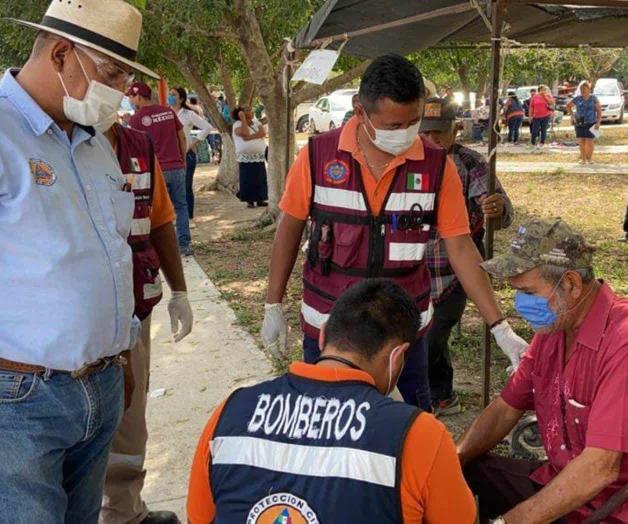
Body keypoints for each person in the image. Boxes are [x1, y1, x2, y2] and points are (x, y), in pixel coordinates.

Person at [261, 54, 528, 412]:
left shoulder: (437, 166)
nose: (404, 133)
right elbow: (289, 229)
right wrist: (272, 304)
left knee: (404, 436)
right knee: (329, 435)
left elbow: (461, 246)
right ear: (360, 111)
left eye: (412, 122)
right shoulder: (316, 157)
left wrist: (500, 328)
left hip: (403, 337)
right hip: (329, 331)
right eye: (391, 125)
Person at [0, 0, 156, 521]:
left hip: (102, 384)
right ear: (62, 53)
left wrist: (122, 349)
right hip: (21, 399)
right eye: (111, 73)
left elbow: (111, 250)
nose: (121, 91)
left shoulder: (93, 143)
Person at [187, 279, 477, 523]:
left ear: (324, 335)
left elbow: (199, 518)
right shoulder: (418, 435)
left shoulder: (231, 412)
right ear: (397, 357)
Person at [457, 218, 628, 523]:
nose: (519, 304)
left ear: (572, 284)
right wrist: (453, 460)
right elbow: (505, 409)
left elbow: (599, 468)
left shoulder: (621, 342)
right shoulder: (553, 331)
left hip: (611, 506)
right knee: (461, 473)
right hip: (558, 482)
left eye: (528, 292)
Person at [99, 95, 194, 523]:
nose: (111, 85)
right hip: (66, 321)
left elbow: (159, 220)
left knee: (130, 417)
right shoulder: (43, 145)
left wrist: (180, 291)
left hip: (134, 310)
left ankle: (124, 512)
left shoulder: (137, 145)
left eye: (119, 76)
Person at [419, 97, 514, 416]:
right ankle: (440, 393)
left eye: (439, 133)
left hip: (458, 270)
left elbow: (501, 213)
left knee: (433, 335)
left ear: (455, 130)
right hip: (416, 268)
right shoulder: (408, 163)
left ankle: (431, 397)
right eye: (425, 132)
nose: (432, 139)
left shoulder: (470, 164)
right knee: (421, 332)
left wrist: (495, 209)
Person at [128, 82, 193, 256]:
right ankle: (184, 245)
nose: (130, 100)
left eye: (131, 96)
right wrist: (182, 160)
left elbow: (136, 149)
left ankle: (159, 248)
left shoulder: (135, 120)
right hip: (177, 167)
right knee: (181, 207)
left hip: (155, 172)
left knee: (155, 211)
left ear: (139, 97)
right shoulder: (168, 112)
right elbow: (181, 137)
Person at [169, 87, 213, 221]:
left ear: (181, 98)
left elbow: (207, 127)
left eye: (173, 95)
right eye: (169, 94)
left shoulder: (188, 114)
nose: (170, 97)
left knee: (186, 185)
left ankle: (188, 217)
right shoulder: (166, 113)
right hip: (170, 155)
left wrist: (193, 143)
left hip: (186, 154)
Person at [231, 106, 268, 208]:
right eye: (247, 110)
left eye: (250, 110)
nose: (251, 112)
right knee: (248, 178)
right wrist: (243, 119)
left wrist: (250, 138)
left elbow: (262, 133)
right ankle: (250, 200)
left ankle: (260, 198)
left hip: (258, 155)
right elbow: (245, 132)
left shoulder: (256, 122)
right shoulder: (237, 124)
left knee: (260, 177)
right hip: (245, 157)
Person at [566, 81, 602, 165]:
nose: (583, 91)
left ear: (589, 89)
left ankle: (589, 159)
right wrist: (572, 116)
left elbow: (599, 110)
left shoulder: (594, 98)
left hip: (591, 122)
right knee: (581, 141)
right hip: (579, 122)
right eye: (581, 89)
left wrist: (598, 122)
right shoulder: (577, 98)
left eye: (584, 89)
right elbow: (568, 106)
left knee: (589, 141)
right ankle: (583, 159)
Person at [529, 84, 554, 149]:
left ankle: (542, 142)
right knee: (535, 130)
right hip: (536, 116)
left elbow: (551, 103)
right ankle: (533, 143)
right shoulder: (534, 97)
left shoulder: (548, 96)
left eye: (545, 90)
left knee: (543, 130)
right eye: (542, 90)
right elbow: (531, 107)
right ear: (539, 90)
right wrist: (530, 116)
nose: (544, 91)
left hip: (545, 115)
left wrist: (545, 97)